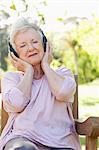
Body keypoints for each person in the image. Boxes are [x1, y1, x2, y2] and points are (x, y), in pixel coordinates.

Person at [0, 17, 81, 150]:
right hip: (23, 138)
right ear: (15, 54)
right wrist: (29, 72)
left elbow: (62, 93)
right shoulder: (11, 78)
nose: (31, 48)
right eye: (23, 45)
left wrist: (45, 66)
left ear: (44, 45)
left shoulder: (63, 73)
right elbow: (16, 104)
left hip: (60, 142)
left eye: (35, 42)